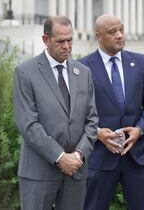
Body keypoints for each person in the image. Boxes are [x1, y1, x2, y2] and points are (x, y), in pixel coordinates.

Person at [13, 16, 99, 210]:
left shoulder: (83, 72)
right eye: (61, 41)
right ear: (46, 40)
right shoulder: (25, 72)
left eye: (70, 40)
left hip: (76, 171)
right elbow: (29, 125)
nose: (67, 46)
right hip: (38, 172)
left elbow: (92, 120)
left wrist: (78, 155)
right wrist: (60, 157)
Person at [79, 14, 144, 210]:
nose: (120, 35)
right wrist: (98, 133)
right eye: (112, 32)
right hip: (99, 156)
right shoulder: (81, 67)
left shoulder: (142, 62)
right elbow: (76, 111)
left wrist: (139, 130)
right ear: (99, 36)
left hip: (138, 155)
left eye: (121, 29)